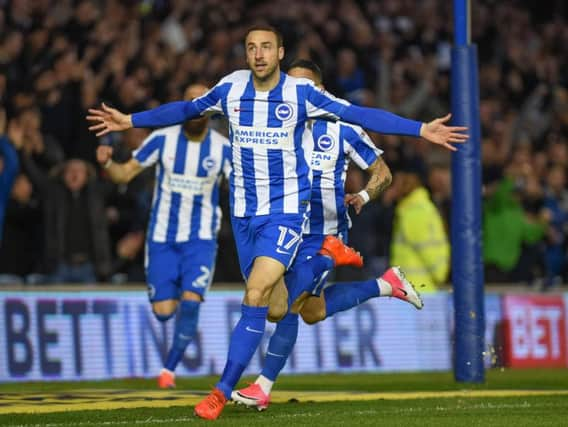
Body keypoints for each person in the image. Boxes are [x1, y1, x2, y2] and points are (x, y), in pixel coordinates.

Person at [86, 26, 467, 420]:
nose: (259, 54)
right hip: (244, 217)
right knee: (279, 308)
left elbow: (360, 114)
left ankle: (223, 390)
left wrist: (420, 129)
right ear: (246, 54)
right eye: (251, 48)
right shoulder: (231, 88)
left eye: (266, 47)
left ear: (280, 52)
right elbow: (186, 110)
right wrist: (129, 120)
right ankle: (342, 266)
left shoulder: (302, 95)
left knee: (254, 294)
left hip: (285, 214)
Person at [232, 59, 423, 410]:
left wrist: (364, 196)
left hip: (323, 235)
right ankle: (385, 284)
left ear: (319, 91)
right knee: (313, 310)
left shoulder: (343, 128)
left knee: (287, 306)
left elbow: (383, 173)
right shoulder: (278, 125)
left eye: (305, 86)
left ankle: (262, 386)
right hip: (283, 228)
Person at [95, 84, 231, 388]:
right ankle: (173, 314)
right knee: (164, 313)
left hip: (201, 239)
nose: (196, 108)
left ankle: (168, 371)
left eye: (202, 102)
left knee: (192, 301)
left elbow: (244, 189)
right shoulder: (162, 140)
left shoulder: (223, 148)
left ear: (212, 110)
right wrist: (107, 162)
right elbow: (124, 174)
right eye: (190, 102)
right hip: (162, 239)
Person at [390, 164, 450, 292]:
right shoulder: (414, 208)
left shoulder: (415, 212)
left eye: (398, 181)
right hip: (416, 289)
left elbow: (430, 252)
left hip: (417, 291)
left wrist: (440, 275)